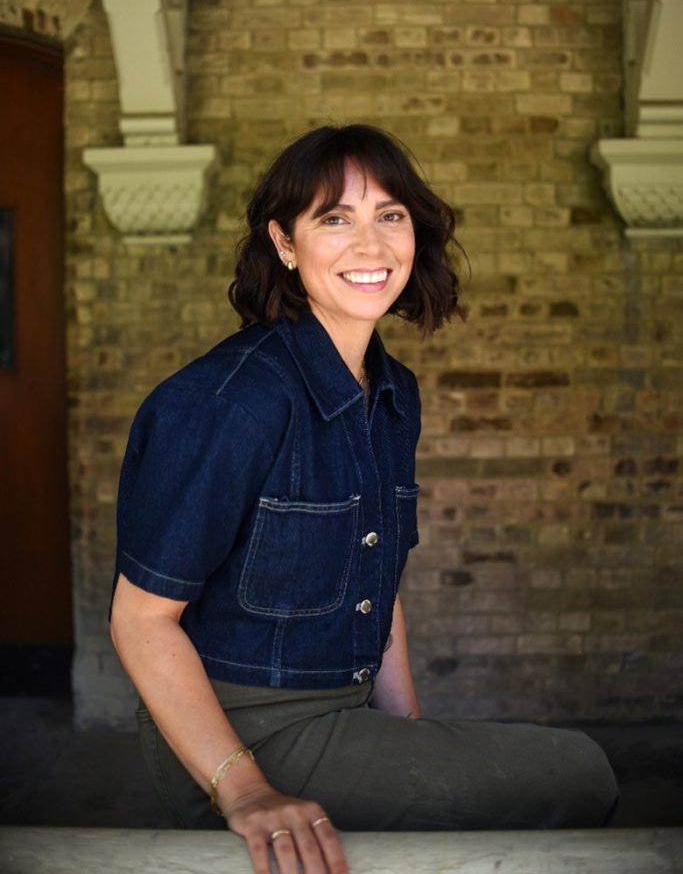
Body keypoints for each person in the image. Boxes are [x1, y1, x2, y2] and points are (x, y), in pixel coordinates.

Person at [111, 124, 618, 874]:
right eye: (335, 218)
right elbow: (141, 621)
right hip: (236, 732)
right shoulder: (228, 403)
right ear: (284, 244)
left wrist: (405, 735)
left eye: (390, 215)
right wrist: (244, 790)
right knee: (581, 772)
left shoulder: (391, 392)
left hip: (338, 715)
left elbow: (378, 584)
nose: (370, 244)